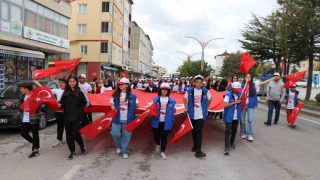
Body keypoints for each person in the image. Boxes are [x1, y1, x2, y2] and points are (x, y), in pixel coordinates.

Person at [4, 82, 41, 158]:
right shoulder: (22, 97)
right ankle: (35, 143)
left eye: (21, 88)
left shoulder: (35, 96)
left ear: (26, 89)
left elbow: (38, 107)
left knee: (35, 134)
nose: (20, 90)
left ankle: (35, 150)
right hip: (24, 118)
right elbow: (19, 106)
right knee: (23, 133)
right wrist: (11, 104)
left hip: (33, 117)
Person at [59, 76, 90, 160]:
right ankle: (72, 152)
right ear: (68, 83)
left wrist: (78, 108)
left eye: (73, 81)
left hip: (78, 117)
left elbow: (85, 103)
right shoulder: (65, 93)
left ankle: (82, 145)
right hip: (67, 117)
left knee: (75, 134)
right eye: (70, 81)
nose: (72, 83)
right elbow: (62, 104)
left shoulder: (80, 92)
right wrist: (60, 105)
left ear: (76, 82)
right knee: (69, 135)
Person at [240, 74, 276, 141]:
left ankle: (250, 134)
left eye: (249, 77)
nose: (248, 78)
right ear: (244, 78)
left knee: (250, 120)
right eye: (246, 77)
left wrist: (272, 79)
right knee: (242, 120)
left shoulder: (254, 85)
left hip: (251, 104)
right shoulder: (241, 85)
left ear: (251, 78)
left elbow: (263, 82)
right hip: (243, 104)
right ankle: (243, 132)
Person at [110, 78, 140, 159]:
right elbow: (111, 104)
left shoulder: (133, 96)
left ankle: (124, 151)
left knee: (126, 136)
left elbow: (138, 106)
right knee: (114, 133)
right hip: (117, 118)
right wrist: (113, 108)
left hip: (128, 119)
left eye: (122, 84)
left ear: (127, 85)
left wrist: (135, 104)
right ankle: (119, 147)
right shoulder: (115, 94)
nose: (120, 85)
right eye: (119, 84)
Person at [183, 75, 212, 158]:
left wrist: (207, 108)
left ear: (202, 83)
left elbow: (210, 98)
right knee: (194, 131)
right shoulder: (190, 91)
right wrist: (186, 107)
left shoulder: (205, 91)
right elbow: (184, 98)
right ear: (194, 83)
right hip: (192, 114)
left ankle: (198, 151)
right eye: (197, 82)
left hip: (201, 115)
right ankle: (195, 146)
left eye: (200, 82)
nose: (199, 84)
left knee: (199, 131)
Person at [34, 79, 68, 147]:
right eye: (60, 83)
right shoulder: (57, 90)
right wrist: (38, 84)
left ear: (66, 84)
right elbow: (46, 90)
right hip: (58, 111)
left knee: (68, 127)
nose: (61, 84)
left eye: (62, 83)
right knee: (59, 127)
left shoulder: (69, 91)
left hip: (67, 112)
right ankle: (59, 140)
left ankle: (70, 139)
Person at [151, 83, 176, 160]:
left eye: (166, 89)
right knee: (156, 136)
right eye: (163, 89)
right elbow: (152, 109)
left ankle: (163, 152)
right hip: (156, 121)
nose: (164, 91)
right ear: (160, 90)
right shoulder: (155, 99)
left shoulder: (172, 101)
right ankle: (158, 144)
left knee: (164, 137)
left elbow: (174, 110)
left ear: (168, 91)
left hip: (167, 122)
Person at [223, 82, 242, 156]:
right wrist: (235, 102)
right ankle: (226, 147)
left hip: (236, 115)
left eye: (238, 89)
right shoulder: (228, 95)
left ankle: (232, 143)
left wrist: (240, 101)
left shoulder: (240, 94)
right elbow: (225, 105)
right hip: (229, 115)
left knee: (234, 130)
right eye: (236, 89)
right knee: (228, 131)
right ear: (232, 88)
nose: (237, 90)